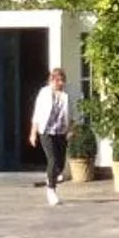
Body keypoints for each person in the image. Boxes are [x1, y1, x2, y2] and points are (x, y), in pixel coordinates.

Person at [27, 65, 75, 205]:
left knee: (60, 164)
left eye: (62, 80)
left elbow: (71, 115)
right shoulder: (44, 93)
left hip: (61, 131)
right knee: (52, 160)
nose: (60, 83)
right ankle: (51, 190)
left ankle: (51, 177)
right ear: (52, 80)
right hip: (46, 131)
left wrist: (71, 129)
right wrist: (33, 133)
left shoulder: (66, 96)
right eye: (58, 80)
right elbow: (37, 114)